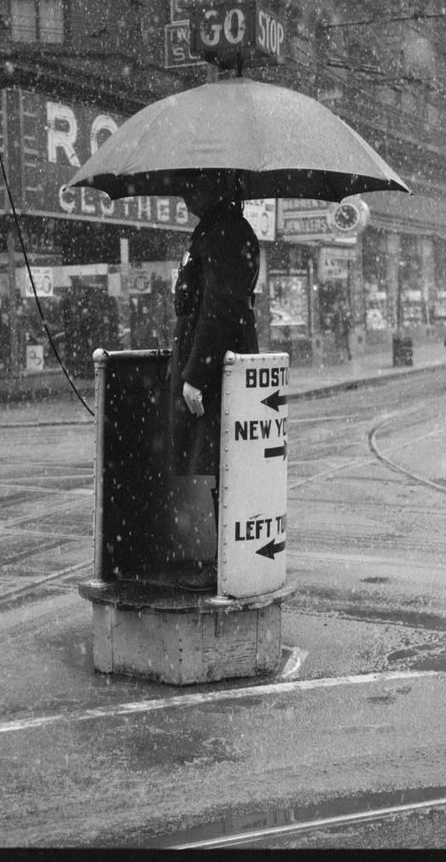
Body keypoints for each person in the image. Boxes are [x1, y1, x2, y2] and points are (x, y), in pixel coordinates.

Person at [169, 173, 260, 591]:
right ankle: (212, 558)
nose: (186, 192)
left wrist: (195, 376)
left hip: (215, 367)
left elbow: (219, 307)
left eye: (194, 186)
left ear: (217, 190)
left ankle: (216, 562)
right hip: (207, 360)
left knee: (213, 462)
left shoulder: (224, 232)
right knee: (207, 461)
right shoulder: (215, 229)